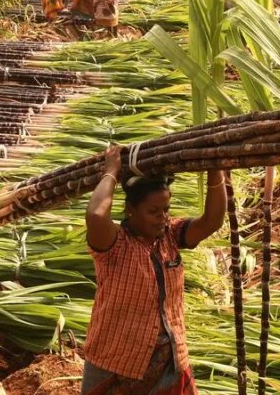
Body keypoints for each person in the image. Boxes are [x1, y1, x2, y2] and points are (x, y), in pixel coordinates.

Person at [82, 146, 227, 395]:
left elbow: (212, 221)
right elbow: (96, 215)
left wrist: (214, 168)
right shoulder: (115, 244)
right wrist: (111, 172)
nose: (162, 218)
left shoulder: (171, 236)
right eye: (152, 212)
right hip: (117, 362)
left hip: (169, 360)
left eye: (165, 210)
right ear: (130, 209)